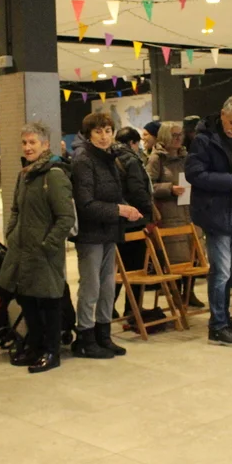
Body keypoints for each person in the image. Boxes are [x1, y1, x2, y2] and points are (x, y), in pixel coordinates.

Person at [0, 122, 75, 373]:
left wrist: (47, 244)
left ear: (45, 145)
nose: (28, 147)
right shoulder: (25, 175)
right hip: (22, 250)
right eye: (24, 142)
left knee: (49, 301)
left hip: (44, 252)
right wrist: (12, 234)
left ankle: (51, 351)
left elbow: (66, 218)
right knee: (28, 299)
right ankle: (34, 346)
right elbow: (15, 209)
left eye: (33, 142)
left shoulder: (54, 175)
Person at [185, 95, 232, 347]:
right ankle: (217, 327)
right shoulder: (203, 139)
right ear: (222, 114)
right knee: (220, 272)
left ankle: (225, 318)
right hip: (213, 211)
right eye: (231, 123)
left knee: (230, 271)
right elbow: (194, 174)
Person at [72, 112, 142, 359]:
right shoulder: (83, 160)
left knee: (107, 287)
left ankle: (104, 335)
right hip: (90, 234)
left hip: (110, 231)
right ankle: (85, 337)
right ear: (89, 135)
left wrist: (127, 208)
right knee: (91, 287)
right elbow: (85, 204)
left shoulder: (110, 157)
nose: (104, 136)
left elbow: (113, 194)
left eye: (108, 131)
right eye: (98, 131)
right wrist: (119, 210)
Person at [147, 121, 203, 306]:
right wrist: (169, 188)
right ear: (164, 136)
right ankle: (176, 296)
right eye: (174, 135)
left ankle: (190, 293)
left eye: (180, 135)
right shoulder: (156, 159)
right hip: (170, 215)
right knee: (175, 258)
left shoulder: (187, 157)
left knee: (193, 255)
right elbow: (148, 186)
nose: (179, 138)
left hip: (190, 213)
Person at [113, 127, 154, 322]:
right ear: (132, 143)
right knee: (136, 266)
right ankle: (133, 308)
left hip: (116, 218)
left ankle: (109, 307)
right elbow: (138, 189)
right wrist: (149, 210)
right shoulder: (131, 160)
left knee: (119, 267)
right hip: (134, 219)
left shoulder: (108, 157)